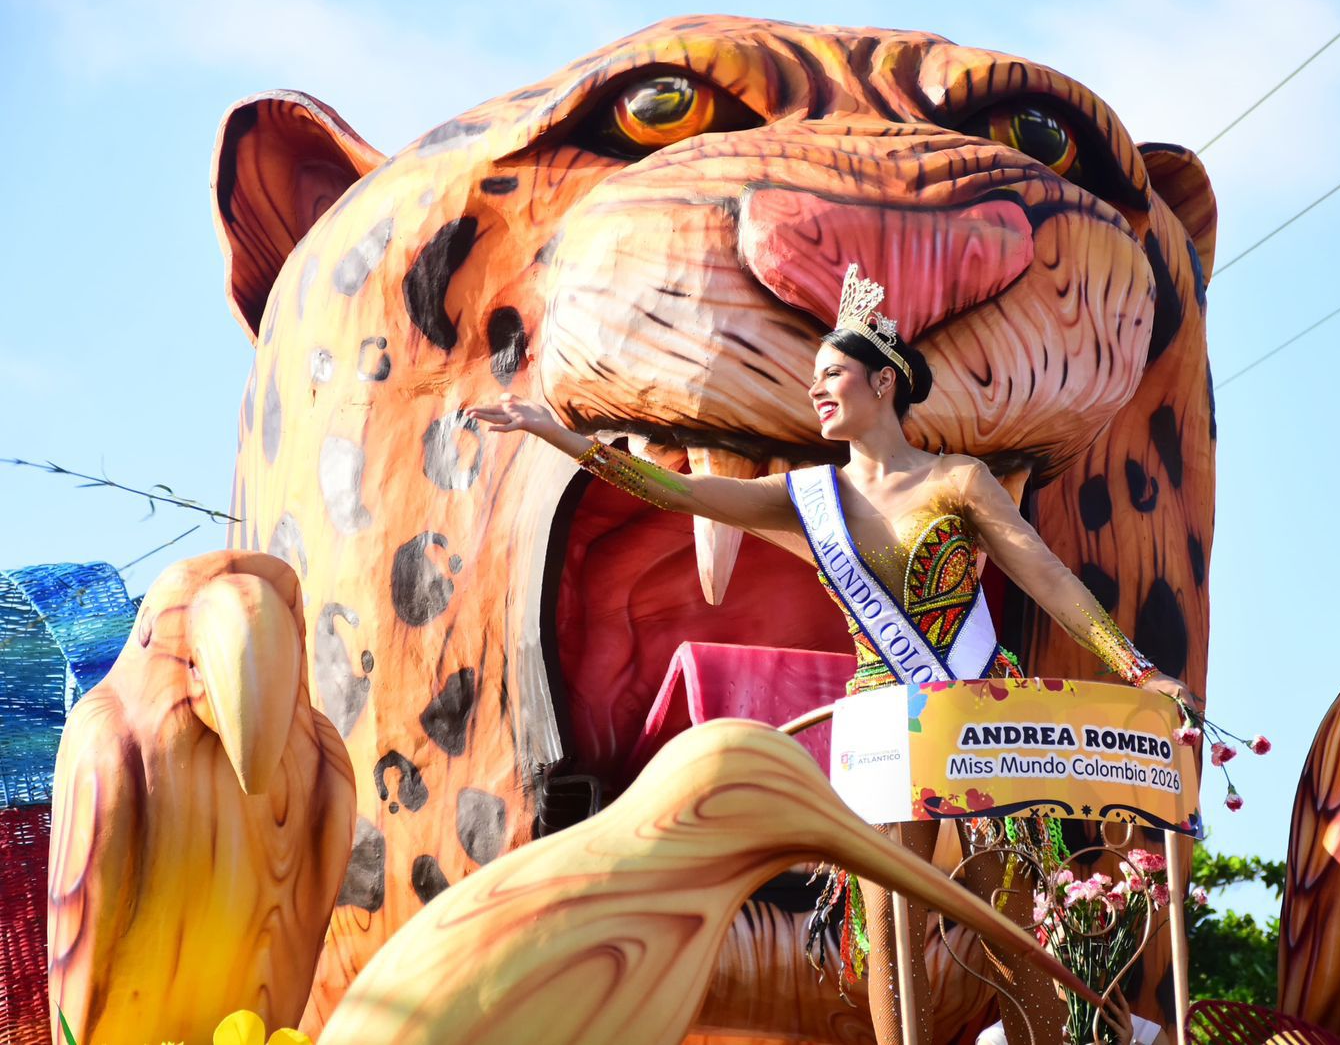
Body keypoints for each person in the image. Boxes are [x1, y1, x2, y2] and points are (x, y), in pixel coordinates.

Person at [467, 263, 1195, 1045]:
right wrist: (561, 437)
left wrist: (1137, 668)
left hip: (978, 705)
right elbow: (676, 492)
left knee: (1010, 914)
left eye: (832, 375)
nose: (815, 391)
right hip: (886, 721)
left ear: (883, 383)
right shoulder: (809, 497)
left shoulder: (960, 481)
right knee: (890, 927)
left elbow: (1048, 577)